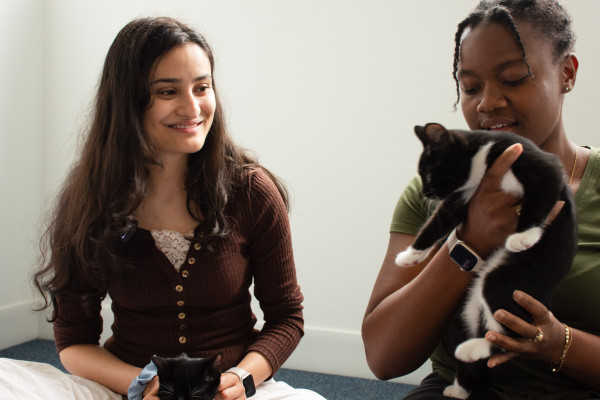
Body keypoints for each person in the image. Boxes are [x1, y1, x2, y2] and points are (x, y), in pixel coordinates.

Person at [30, 16, 325, 400]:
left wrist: (241, 380)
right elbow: (73, 341)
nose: (192, 108)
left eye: (202, 87)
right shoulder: (90, 201)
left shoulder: (252, 192)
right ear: (127, 101)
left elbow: (287, 318)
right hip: (126, 385)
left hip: (235, 388)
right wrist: (142, 384)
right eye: (168, 92)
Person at [362, 1, 600, 399]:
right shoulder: (435, 192)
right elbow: (384, 358)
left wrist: (558, 343)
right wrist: (467, 242)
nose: (487, 103)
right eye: (470, 88)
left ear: (567, 74)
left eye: (513, 79)